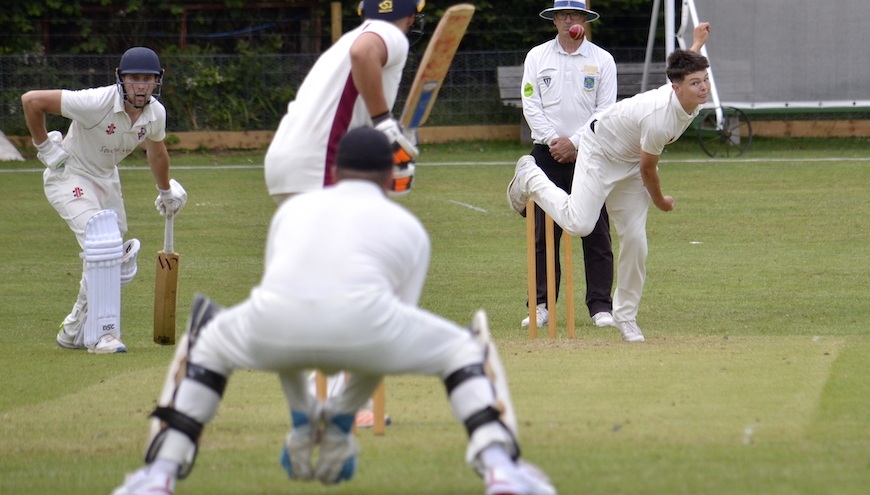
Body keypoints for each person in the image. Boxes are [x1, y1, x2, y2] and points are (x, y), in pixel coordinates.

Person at [110, 127, 557, 495]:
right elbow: (380, 340)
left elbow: (284, 313)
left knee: (207, 339)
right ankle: (500, 470)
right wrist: (340, 421)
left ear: (335, 172)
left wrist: (305, 419)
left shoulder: (294, 209)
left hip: (271, 328)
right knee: (465, 348)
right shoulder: (409, 228)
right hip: (364, 327)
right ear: (391, 176)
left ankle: (159, 474)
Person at [507, 22, 713, 343]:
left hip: (629, 161)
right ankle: (531, 176)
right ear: (677, 88)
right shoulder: (660, 118)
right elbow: (649, 170)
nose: (704, 88)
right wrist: (661, 201)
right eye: (696, 83)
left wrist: (697, 42)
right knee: (580, 224)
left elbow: (688, 67)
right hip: (600, 149)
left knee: (636, 241)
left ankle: (625, 316)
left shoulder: (685, 89)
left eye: (705, 81)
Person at [22, 46, 186, 354]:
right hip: (69, 175)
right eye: (134, 78)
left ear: (158, 80)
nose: (141, 86)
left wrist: (165, 192)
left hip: (107, 179)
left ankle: (72, 330)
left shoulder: (155, 113)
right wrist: (44, 147)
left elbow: (157, 151)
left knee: (112, 259)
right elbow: (31, 101)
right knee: (105, 247)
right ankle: (102, 336)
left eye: (148, 79)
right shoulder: (95, 101)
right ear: (120, 79)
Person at [264, 0, 423, 203]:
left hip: (288, 162)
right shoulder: (389, 33)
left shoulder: (347, 41)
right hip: (322, 164)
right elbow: (363, 52)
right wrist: (384, 123)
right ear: (411, 15)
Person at [519, 0, 618, 329]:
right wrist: (553, 141)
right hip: (546, 155)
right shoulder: (537, 57)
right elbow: (531, 105)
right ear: (555, 18)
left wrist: (576, 142)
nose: (569, 20)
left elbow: (605, 111)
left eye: (576, 15)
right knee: (542, 234)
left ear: (585, 20)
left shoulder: (602, 59)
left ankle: (601, 306)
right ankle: (541, 305)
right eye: (563, 14)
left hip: (589, 154)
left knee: (595, 229)